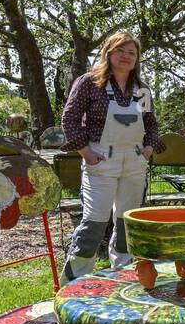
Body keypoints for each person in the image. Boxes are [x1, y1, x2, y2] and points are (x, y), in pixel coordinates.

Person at [60, 30, 165, 278]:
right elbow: (70, 118)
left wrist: (148, 150)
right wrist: (85, 152)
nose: (126, 56)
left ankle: (123, 274)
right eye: (120, 50)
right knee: (95, 222)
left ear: (137, 59)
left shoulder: (141, 89)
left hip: (134, 161)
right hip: (101, 159)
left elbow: (151, 124)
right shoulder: (89, 83)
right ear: (109, 52)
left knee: (127, 221)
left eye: (131, 52)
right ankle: (73, 281)